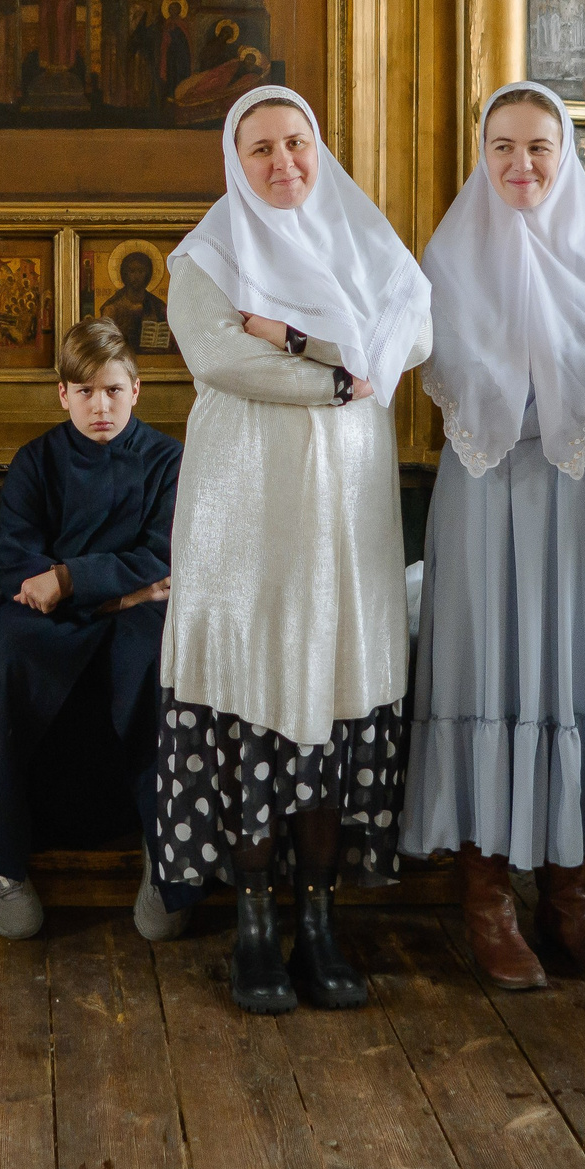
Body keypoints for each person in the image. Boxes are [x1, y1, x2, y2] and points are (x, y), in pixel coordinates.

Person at [155, 86, 432, 1015]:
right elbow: (220, 356)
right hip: (245, 508)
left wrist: (303, 340)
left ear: (318, 147)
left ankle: (318, 917)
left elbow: (414, 328)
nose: (284, 163)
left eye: (297, 143)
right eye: (261, 147)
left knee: (332, 688)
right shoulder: (205, 254)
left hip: (347, 504)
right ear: (235, 159)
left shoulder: (360, 236)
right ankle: (253, 924)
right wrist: (338, 374)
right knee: (257, 700)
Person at [402, 84, 585, 990]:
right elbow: (438, 363)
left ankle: (572, 901)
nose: (522, 164)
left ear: (567, 156)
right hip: (484, 491)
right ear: (484, 154)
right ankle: (487, 902)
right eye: (505, 146)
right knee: (493, 670)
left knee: (574, 670)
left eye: (541, 147)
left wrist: (560, 365)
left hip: (579, 488)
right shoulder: (448, 257)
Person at [0, 319, 186, 943]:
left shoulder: (169, 460)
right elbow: (16, 560)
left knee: (153, 658)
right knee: (7, 656)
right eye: (85, 392)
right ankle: (1, 862)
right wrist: (104, 590)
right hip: (48, 617)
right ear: (63, 394)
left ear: (136, 391)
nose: (101, 406)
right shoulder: (36, 460)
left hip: (127, 615)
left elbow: (164, 556)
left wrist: (72, 579)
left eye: (114, 391)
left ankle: (165, 861)